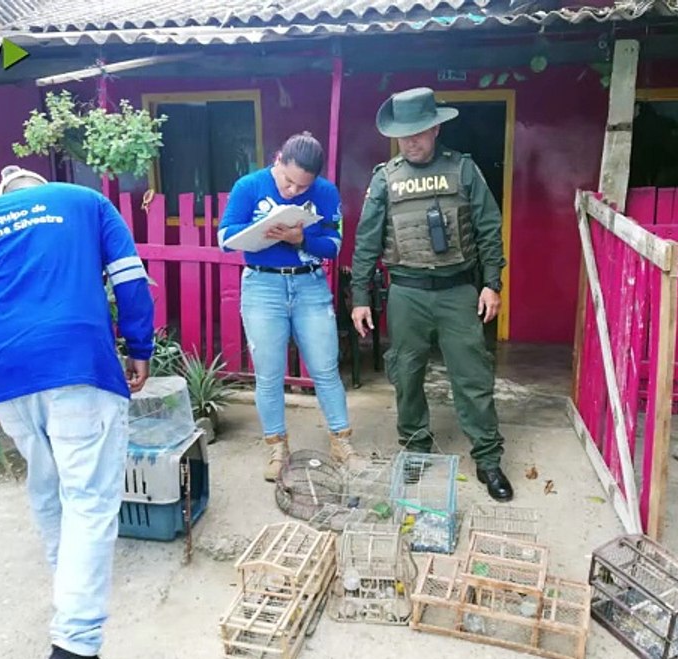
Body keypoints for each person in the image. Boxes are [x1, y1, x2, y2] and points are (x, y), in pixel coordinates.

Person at [0, 165, 154, 659]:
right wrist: (139, 346)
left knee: (51, 492)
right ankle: (72, 651)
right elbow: (129, 277)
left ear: (2, 197)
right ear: (40, 191)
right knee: (89, 500)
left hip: (6, 373)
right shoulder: (85, 203)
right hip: (76, 362)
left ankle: (77, 637)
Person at [350, 87, 514, 502]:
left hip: (458, 290)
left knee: (472, 377)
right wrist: (360, 297)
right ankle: (415, 448)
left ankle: (489, 458)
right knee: (406, 375)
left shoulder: (463, 171)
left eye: (420, 132)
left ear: (436, 127)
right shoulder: (385, 179)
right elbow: (366, 241)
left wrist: (492, 284)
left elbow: (488, 229)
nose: (412, 141)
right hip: (406, 293)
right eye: (404, 134)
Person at [219, 132, 362, 480]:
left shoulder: (326, 192)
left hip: (309, 284)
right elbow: (225, 238)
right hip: (262, 285)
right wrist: (263, 228)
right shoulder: (248, 186)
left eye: (302, 187)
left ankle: (342, 442)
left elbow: (334, 245)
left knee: (325, 368)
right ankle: (277, 447)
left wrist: (301, 239)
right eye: (288, 181)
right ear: (278, 159)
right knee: (268, 374)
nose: (293, 191)